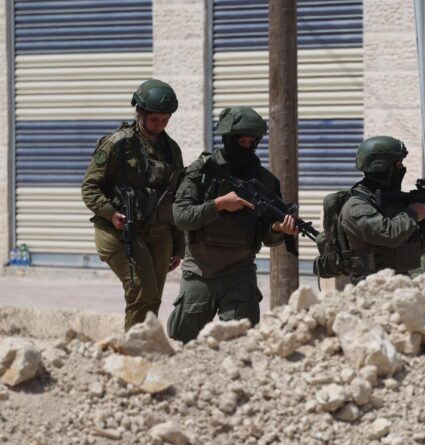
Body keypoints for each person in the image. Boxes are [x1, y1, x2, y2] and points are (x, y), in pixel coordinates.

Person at [167, 106, 298, 343]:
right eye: (240, 141)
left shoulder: (265, 182)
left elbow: (266, 235)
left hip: (240, 271)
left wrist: (279, 229)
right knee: (185, 340)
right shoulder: (202, 171)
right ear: (228, 139)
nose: (246, 147)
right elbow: (182, 217)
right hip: (200, 270)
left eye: (251, 142)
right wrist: (219, 205)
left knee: (241, 342)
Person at [81, 79, 184, 330]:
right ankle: (134, 345)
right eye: (154, 119)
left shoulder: (171, 150)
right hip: (119, 230)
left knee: (153, 296)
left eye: (165, 120)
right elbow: (90, 188)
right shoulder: (117, 144)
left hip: (159, 231)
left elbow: (176, 197)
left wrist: (179, 245)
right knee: (141, 290)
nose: (159, 125)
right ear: (140, 112)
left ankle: (143, 341)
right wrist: (110, 213)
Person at [339, 135, 425, 283]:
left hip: (399, 283)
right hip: (371, 285)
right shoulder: (357, 206)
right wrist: (413, 214)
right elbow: (390, 236)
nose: (402, 169)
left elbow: (415, 249)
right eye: (399, 164)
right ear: (381, 167)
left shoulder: (391, 204)